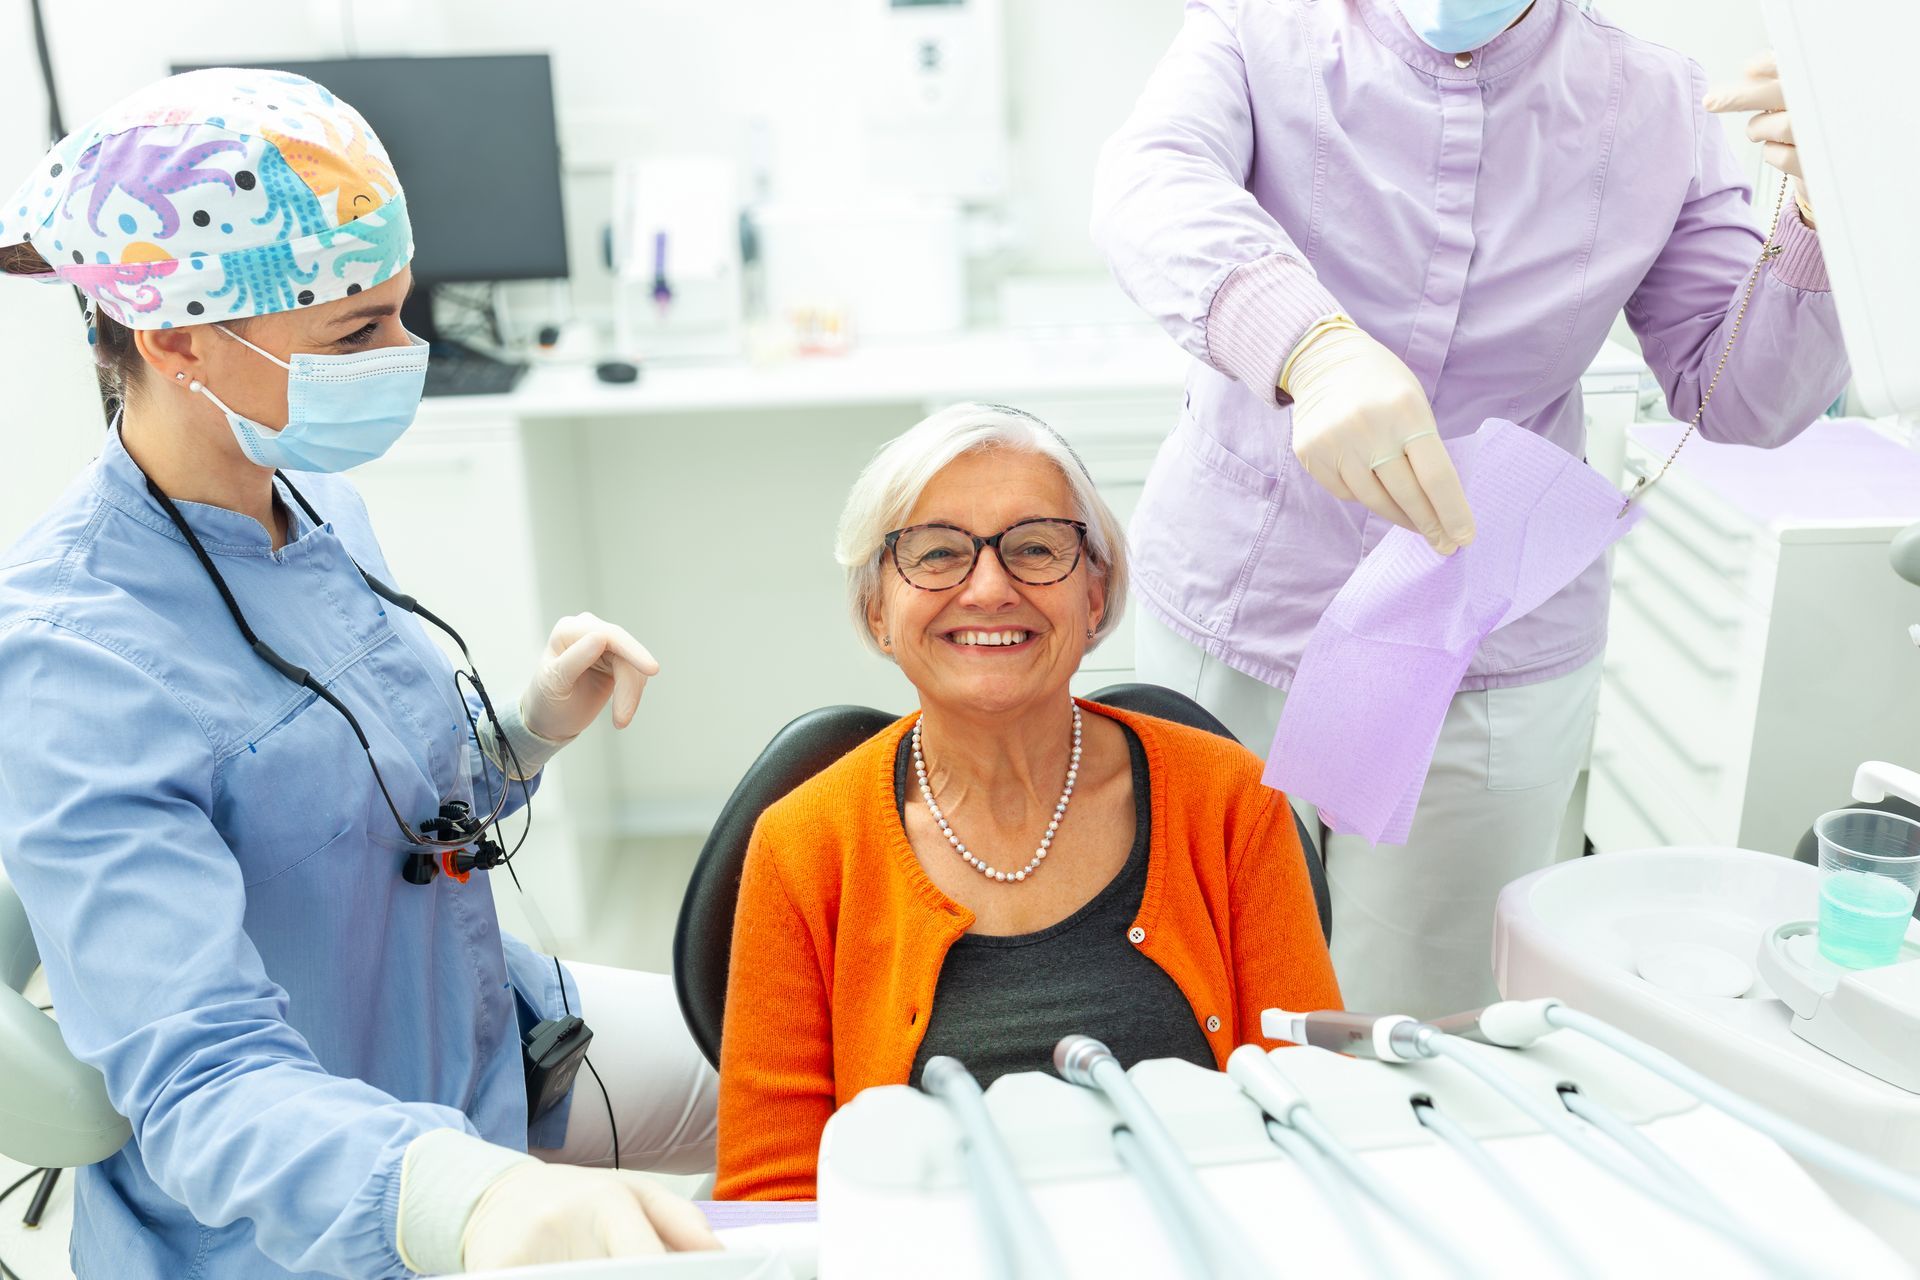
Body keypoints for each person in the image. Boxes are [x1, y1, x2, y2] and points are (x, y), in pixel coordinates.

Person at [0, 70, 716, 1279]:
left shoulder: (309, 496)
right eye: (356, 332)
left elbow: (385, 812)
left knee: (815, 1072)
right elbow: (201, 1080)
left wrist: (528, 729)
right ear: (177, 341)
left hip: (479, 1028)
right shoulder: (74, 656)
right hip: (301, 1193)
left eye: (399, 310)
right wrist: (469, 1195)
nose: (406, 352)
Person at [1092, 0, 1851, 1017]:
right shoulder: (1255, 29)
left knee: (1410, 1018)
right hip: (1242, 616)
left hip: (1479, 644)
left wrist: (1823, 212)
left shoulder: (1658, 100)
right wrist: (1308, 343)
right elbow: (1153, 183)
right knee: (1194, 981)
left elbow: (1741, 393)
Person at [714, 403, 1340, 1200]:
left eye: (1035, 549)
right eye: (937, 554)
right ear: (878, 610)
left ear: (1094, 595)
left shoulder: (1229, 801)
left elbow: (1316, 1113)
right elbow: (774, 1198)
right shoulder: (801, 847)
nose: (988, 587)